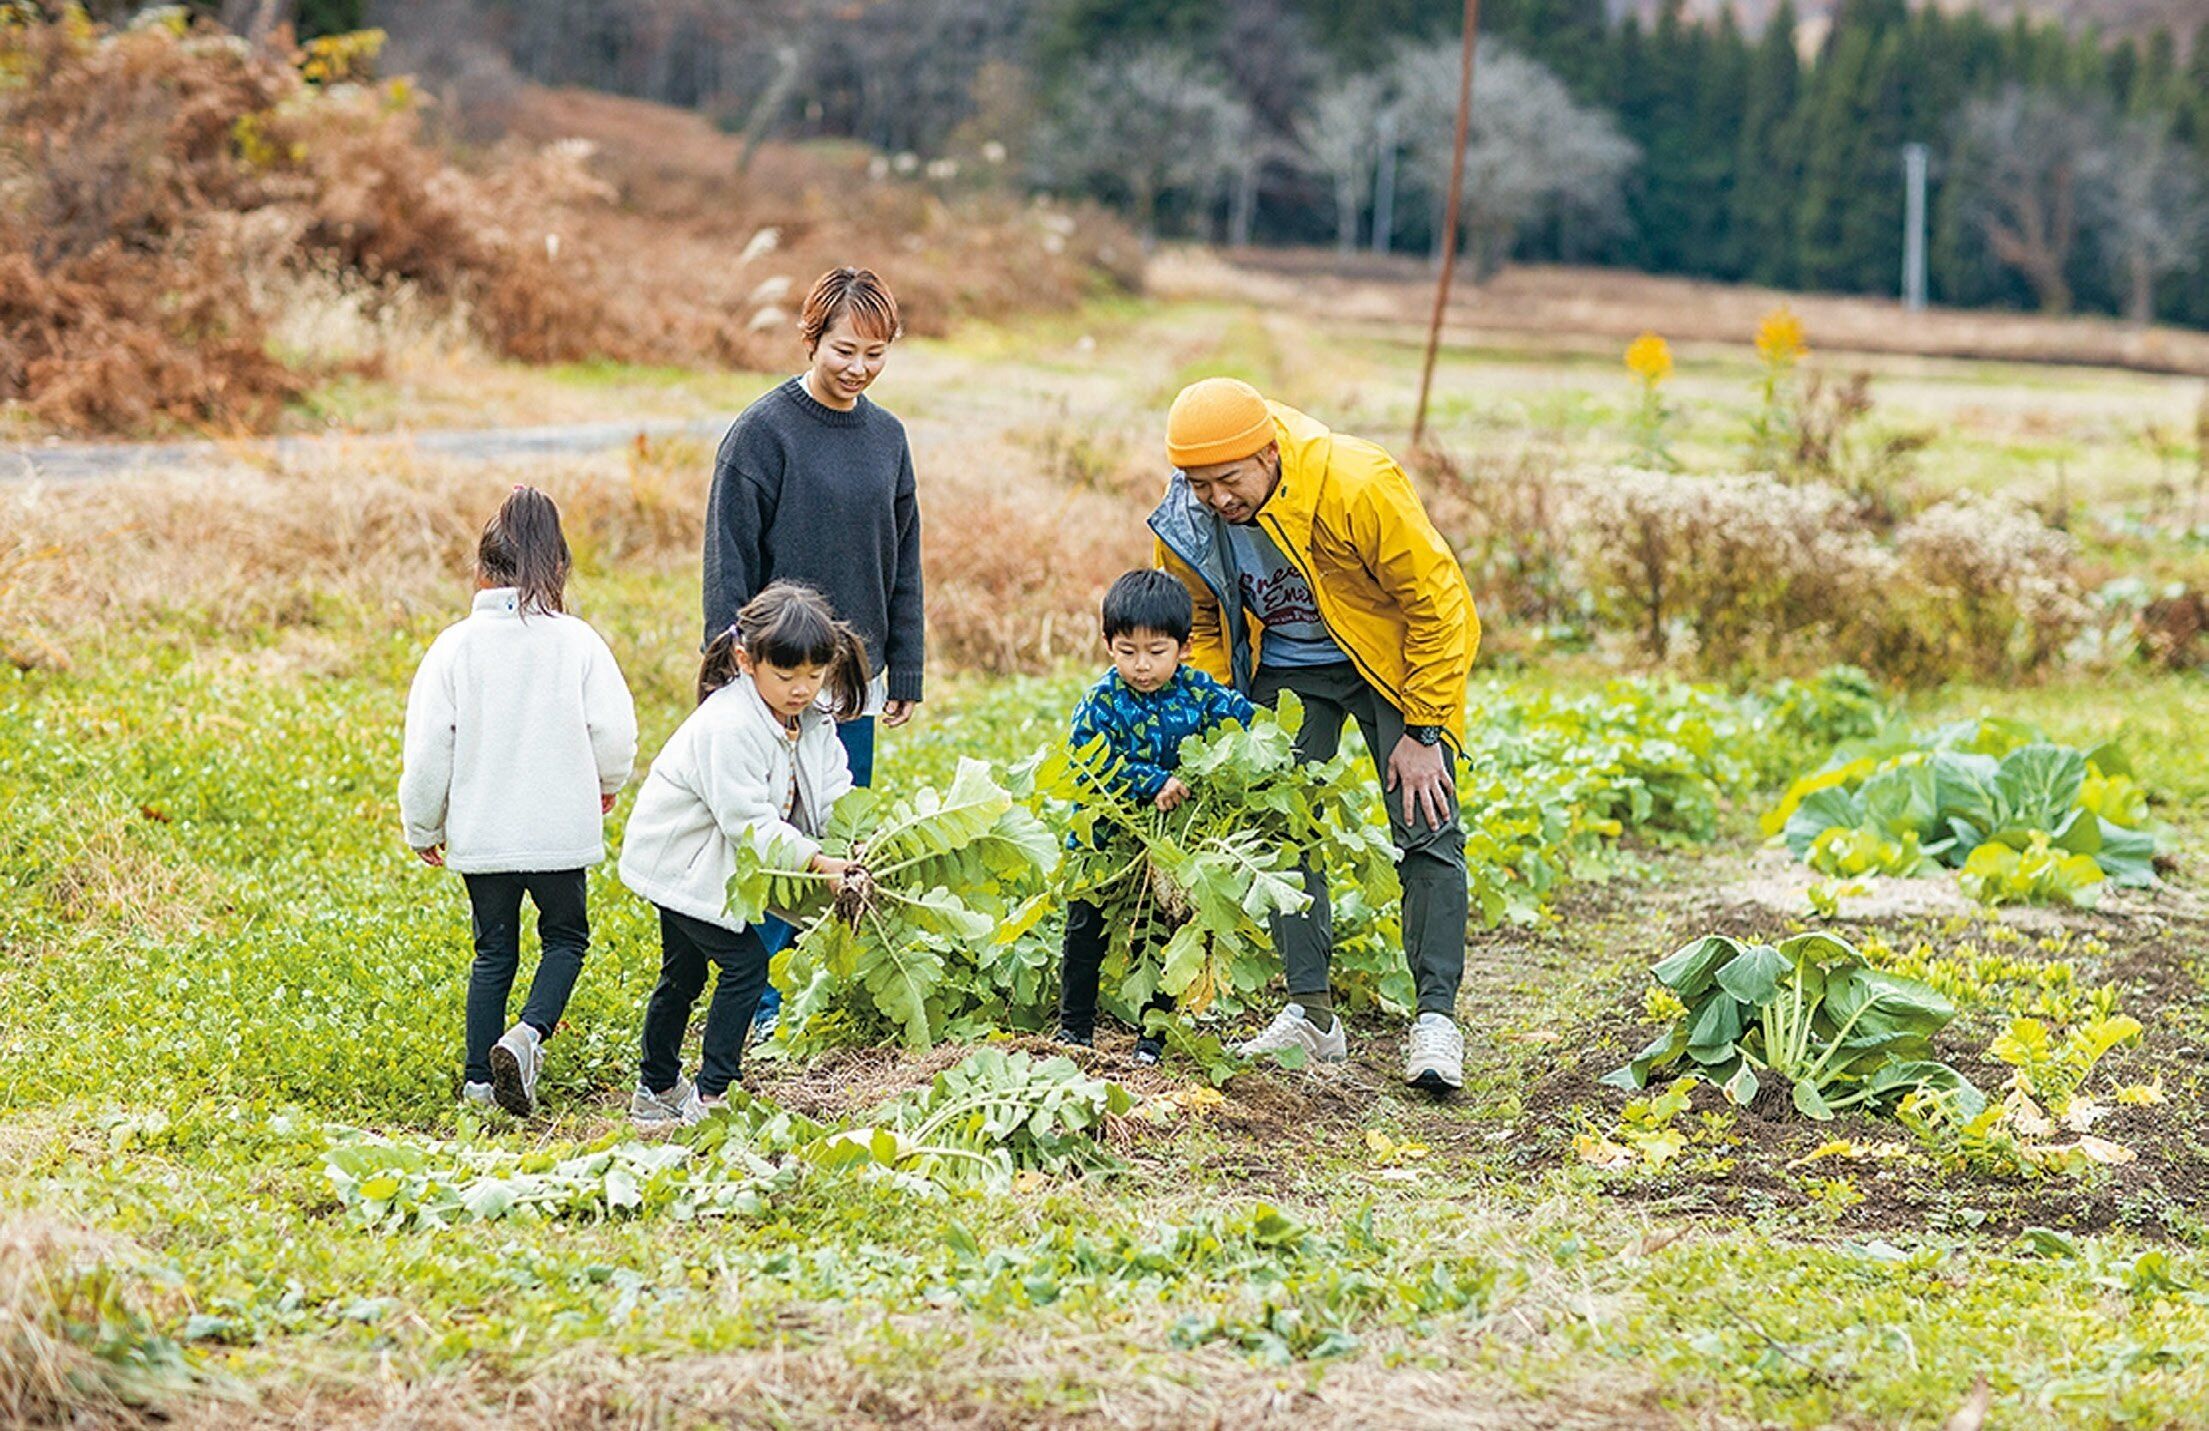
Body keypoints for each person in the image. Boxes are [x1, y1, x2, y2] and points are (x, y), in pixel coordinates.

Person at [1150, 377, 1481, 1092]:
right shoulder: (1188, 514)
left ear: (1267, 453)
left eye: (1229, 482)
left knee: (1425, 821)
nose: (1217, 501)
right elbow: (1200, 622)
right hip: (1286, 668)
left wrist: (1422, 728)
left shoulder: (1354, 483)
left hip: (1388, 661)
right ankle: (1310, 1013)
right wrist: (1215, 721)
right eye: (1200, 485)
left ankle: (1435, 1018)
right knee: (1278, 824)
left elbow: (1437, 601)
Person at [702, 265, 924, 1036]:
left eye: (876, 353)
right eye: (844, 349)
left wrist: (909, 667)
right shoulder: (761, 434)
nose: (859, 367)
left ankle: (815, 993)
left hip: (853, 678)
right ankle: (755, 1000)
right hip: (772, 675)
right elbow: (726, 561)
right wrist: (727, 669)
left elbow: (904, 559)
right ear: (812, 338)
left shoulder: (888, 437)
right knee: (771, 836)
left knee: (836, 832)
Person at [398, 486, 638, 1117]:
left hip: (484, 835)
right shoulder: (579, 641)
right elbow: (612, 730)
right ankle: (528, 1034)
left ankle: (480, 1081)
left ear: (479, 572)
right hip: (559, 828)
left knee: (493, 951)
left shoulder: (454, 647)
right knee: (566, 939)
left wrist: (423, 822)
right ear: (557, 568)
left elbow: (428, 747)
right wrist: (607, 782)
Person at [618, 582, 867, 1125]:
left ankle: (655, 1089)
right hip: (680, 863)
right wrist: (818, 863)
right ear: (745, 660)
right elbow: (748, 823)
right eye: (786, 676)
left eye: (814, 675)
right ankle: (711, 1096)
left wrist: (854, 841)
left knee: (682, 974)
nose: (801, 689)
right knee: (745, 966)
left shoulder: (814, 718)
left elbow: (833, 789)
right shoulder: (728, 724)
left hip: (719, 866)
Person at [1056, 570, 1256, 1067]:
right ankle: (1074, 1028)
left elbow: (1246, 723)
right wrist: (1152, 782)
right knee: (1086, 933)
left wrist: (1250, 747)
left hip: (1169, 851)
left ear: (1185, 648)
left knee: (1166, 937)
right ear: (1108, 645)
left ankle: (1152, 1039)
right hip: (1105, 846)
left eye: (1156, 652)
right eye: (1127, 652)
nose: (1142, 666)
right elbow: (1087, 761)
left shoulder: (1199, 692)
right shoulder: (1101, 702)